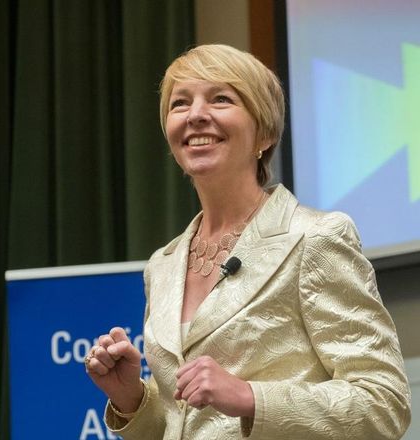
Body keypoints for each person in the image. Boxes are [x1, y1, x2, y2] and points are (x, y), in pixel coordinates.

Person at [84, 44, 411, 439]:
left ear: (266, 132)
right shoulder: (163, 264)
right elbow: (184, 424)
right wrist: (131, 399)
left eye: (221, 98)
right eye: (180, 103)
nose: (196, 115)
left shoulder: (316, 238)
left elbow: (384, 404)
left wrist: (250, 397)